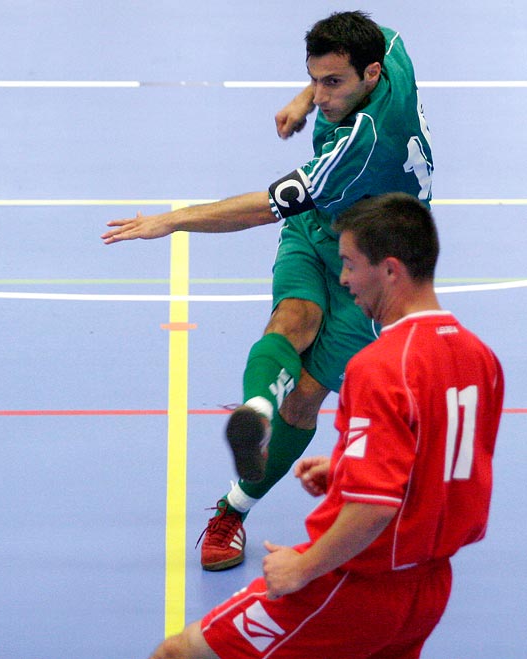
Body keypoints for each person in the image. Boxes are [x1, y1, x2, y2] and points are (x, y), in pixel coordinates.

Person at [102, 11, 435, 571]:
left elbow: (262, 208)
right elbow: (343, 72)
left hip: (375, 264)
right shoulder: (389, 49)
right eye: (316, 77)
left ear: (372, 75)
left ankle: (235, 504)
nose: (324, 94)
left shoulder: (362, 147)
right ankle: (256, 412)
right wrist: (307, 99)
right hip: (320, 228)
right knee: (293, 319)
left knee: (305, 397)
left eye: (335, 84)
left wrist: (175, 219)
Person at [145, 192, 505, 659]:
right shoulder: (481, 358)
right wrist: (346, 469)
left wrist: (303, 567)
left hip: (355, 582)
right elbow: (447, 468)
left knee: (178, 652)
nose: (344, 280)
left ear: (390, 270)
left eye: (351, 265)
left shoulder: (379, 366)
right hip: (429, 589)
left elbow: (373, 510)